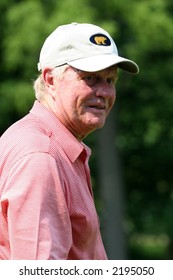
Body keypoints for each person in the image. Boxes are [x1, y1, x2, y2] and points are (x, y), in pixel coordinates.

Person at [0, 22, 139, 260]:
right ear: (51, 79)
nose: (105, 92)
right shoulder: (41, 156)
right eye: (91, 78)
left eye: (110, 80)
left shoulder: (53, 145)